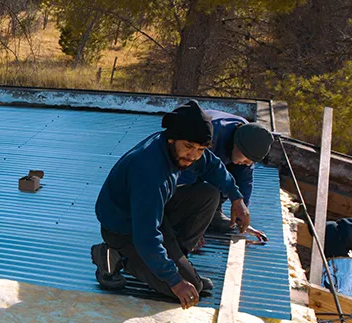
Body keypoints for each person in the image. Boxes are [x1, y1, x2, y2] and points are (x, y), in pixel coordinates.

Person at [90, 101, 250, 309]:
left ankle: (176, 263)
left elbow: (212, 166)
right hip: (124, 229)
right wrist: (175, 280)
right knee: (186, 289)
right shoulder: (149, 172)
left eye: (201, 149)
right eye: (189, 147)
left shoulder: (178, 148)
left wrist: (237, 199)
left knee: (209, 194)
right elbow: (146, 235)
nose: (193, 156)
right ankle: (116, 256)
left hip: (152, 213)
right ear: (172, 138)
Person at [178, 110, 273, 241]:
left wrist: (241, 212)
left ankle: (213, 213)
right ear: (236, 145)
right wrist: (190, 227)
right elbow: (183, 179)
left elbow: (244, 181)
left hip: (221, 155)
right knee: (203, 183)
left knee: (233, 175)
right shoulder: (210, 135)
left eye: (252, 161)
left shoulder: (249, 139)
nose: (248, 163)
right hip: (187, 164)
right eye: (246, 158)